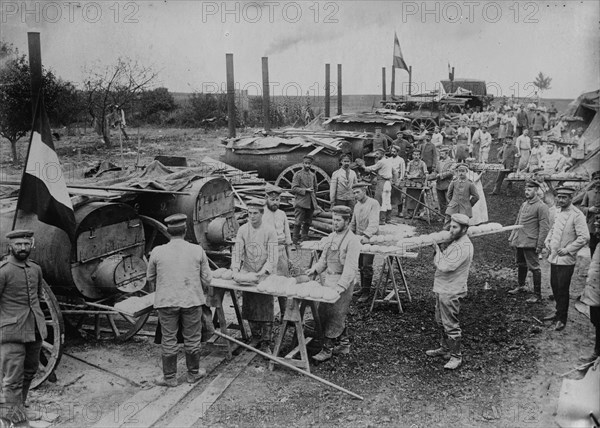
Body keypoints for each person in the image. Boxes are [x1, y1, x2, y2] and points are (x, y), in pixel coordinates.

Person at [147, 214, 212, 387]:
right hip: (191, 300)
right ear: (185, 231)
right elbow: (207, 279)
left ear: (168, 232)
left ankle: (170, 378)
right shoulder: (197, 250)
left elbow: (150, 277)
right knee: (192, 338)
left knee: (168, 338)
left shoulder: (157, 251)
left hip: (166, 301)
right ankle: (193, 374)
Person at [0, 230, 47, 422]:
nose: (22, 248)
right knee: (12, 379)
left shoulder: (35, 269)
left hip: (34, 329)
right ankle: (17, 421)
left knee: (29, 371)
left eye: (26, 244)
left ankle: (19, 409)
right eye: (18, 244)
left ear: (31, 245)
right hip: (11, 332)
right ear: (10, 246)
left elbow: (37, 297)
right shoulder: (3, 271)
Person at [306, 206, 361, 361]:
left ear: (347, 221)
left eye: (338, 220)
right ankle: (344, 344)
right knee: (325, 312)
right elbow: (324, 259)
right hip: (329, 280)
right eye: (333, 219)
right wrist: (315, 270)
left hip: (343, 282)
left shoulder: (353, 241)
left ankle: (327, 349)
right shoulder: (330, 237)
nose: (334, 223)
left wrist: (340, 288)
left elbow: (350, 269)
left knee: (335, 315)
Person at [425, 213, 474, 370]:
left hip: (452, 289)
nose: (451, 230)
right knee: (440, 321)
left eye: (455, 227)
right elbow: (443, 260)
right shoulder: (456, 242)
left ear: (464, 229)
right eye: (450, 226)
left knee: (450, 323)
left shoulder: (463, 246)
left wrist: (436, 249)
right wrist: (438, 250)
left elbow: (446, 266)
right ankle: (445, 348)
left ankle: (456, 356)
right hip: (443, 287)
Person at [231, 201, 279, 352]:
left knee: (265, 307)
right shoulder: (243, 230)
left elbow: (272, 257)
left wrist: (263, 272)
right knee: (250, 306)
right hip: (248, 272)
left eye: (255, 213)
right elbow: (237, 251)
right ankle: (255, 336)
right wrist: (235, 269)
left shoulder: (270, 231)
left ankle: (266, 341)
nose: (252, 216)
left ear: (262, 213)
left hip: (264, 274)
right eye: (250, 213)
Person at [543, 187, 590, 331]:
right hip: (554, 257)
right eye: (559, 197)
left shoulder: (577, 215)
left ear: (571, 198)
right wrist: (548, 241)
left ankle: (561, 319)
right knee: (555, 286)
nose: (561, 200)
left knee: (563, 288)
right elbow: (553, 229)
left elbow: (584, 237)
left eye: (564, 197)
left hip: (566, 259)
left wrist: (568, 249)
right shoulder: (558, 211)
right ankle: (557, 311)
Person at [507, 181, 550, 302]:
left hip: (531, 242)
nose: (526, 192)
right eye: (526, 189)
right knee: (521, 263)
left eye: (530, 189)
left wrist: (540, 245)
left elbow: (544, 228)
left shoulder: (542, 206)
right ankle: (521, 286)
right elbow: (517, 222)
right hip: (520, 240)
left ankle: (537, 294)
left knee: (535, 267)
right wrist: (512, 238)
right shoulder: (524, 204)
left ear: (536, 191)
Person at [263, 184, 293, 314]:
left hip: (281, 253)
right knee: (267, 284)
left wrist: (289, 258)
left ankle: (284, 314)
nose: (275, 203)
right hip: (267, 254)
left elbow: (287, 237)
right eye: (272, 199)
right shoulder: (262, 214)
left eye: (277, 200)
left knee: (283, 284)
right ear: (266, 198)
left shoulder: (282, 214)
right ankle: (268, 316)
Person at [349, 182, 380, 303]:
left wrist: (366, 235)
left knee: (367, 265)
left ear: (364, 191)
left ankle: (367, 292)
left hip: (369, 238)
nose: (355, 195)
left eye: (358, 192)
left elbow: (374, 223)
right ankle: (363, 288)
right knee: (360, 264)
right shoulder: (357, 205)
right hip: (358, 238)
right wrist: (349, 235)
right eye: (354, 193)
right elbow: (353, 222)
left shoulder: (373, 203)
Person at [579, 212, 600, 363]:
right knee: (597, 321)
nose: (596, 230)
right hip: (595, 290)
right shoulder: (598, 244)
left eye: (599, 227)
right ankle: (597, 352)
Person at [363, 148, 397, 224]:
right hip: (388, 183)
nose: (376, 155)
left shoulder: (381, 162)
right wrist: (394, 181)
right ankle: (388, 219)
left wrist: (363, 166)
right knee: (387, 201)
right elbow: (395, 172)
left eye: (377, 154)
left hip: (382, 182)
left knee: (380, 201)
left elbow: (372, 168)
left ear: (382, 154)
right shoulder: (389, 161)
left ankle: (381, 220)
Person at [291, 155, 318, 244]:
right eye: (306, 163)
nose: (307, 165)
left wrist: (313, 197)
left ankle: (304, 238)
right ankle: (295, 240)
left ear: (311, 165)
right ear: (303, 164)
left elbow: (315, 188)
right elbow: (294, 188)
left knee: (308, 221)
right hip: (301, 202)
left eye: (309, 164)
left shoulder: (313, 175)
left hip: (310, 202)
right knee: (298, 221)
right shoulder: (298, 174)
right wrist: (305, 190)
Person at [444, 163, 479, 229]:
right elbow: (449, 194)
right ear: (457, 172)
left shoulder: (470, 183)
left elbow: (476, 196)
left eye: (463, 171)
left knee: (463, 225)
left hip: (465, 208)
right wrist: (452, 202)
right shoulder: (454, 182)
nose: (461, 173)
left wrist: (469, 204)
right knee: (448, 222)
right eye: (459, 171)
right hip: (453, 206)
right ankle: (446, 235)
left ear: (466, 172)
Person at [579, 171, 600, 257]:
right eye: (596, 179)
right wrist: (589, 209)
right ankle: (593, 266)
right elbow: (582, 208)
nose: (598, 180)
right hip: (592, 225)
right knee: (593, 246)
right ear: (592, 180)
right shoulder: (588, 193)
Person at [404, 150, 428, 218]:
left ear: (420, 155)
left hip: (419, 183)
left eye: (417, 155)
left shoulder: (423, 163)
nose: (416, 156)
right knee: (410, 197)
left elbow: (426, 173)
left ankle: (418, 212)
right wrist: (408, 175)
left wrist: (425, 182)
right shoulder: (410, 163)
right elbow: (406, 172)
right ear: (412, 155)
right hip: (411, 183)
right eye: (415, 155)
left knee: (419, 198)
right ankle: (410, 213)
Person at [433, 147, 455, 217]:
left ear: (447, 154)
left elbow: (451, 172)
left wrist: (440, 175)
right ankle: (442, 216)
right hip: (439, 185)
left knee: (449, 202)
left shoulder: (452, 162)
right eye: (440, 154)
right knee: (441, 202)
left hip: (448, 185)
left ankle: (450, 217)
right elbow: (435, 171)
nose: (441, 155)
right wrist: (431, 176)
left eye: (442, 154)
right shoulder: (439, 162)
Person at [387, 146, 406, 217]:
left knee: (399, 195)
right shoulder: (388, 159)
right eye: (392, 151)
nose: (393, 153)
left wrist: (400, 179)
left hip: (397, 179)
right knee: (389, 195)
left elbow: (402, 171)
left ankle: (400, 211)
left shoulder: (401, 160)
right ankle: (389, 211)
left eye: (394, 152)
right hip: (390, 179)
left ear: (397, 152)